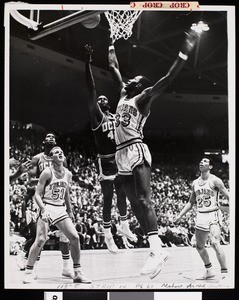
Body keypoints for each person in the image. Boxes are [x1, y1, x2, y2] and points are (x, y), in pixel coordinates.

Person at [108, 24, 201, 279]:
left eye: (134, 80)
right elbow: (113, 67)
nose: (129, 80)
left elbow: (167, 79)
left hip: (136, 149)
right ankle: (153, 247)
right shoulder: (122, 97)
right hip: (120, 153)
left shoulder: (143, 98)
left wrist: (186, 48)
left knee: (145, 199)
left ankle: (157, 248)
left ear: (140, 86)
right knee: (133, 201)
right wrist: (110, 40)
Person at [84, 44, 137, 254]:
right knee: (108, 198)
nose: (102, 99)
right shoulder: (97, 117)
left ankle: (124, 226)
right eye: (99, 100)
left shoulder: (115, 116)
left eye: (105, 99)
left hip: (119, 157)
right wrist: (87, 62)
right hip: (105, 160)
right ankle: (107, 234)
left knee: (122, 193)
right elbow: (91, 89)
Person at [23, 146, 91, 284]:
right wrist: (43, 209)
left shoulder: (68, 174)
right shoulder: (47, 173)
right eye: (56, 152)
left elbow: (66, 193)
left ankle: (77, 273)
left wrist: (70, 211)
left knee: (75, 237)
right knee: (41, 240)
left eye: (61, 151)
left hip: (60, 209)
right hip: (47, 206)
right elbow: (37, 195)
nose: (60, 153)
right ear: (51, 157)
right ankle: (29, 272)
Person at [17, 133, 72, 278]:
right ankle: (32, 266)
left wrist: (69, 207)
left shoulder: (62, 159)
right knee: (40, 236)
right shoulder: (37, 158)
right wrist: (47, 179)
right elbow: (30, 181)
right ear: (44, 141)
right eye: (48, 136)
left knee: (65, 235)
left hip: (57, 201)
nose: (51, 138)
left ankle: (67, 268)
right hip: (40, 200)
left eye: (53, 137)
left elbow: (65, 182)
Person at [174, 157, 229, 280]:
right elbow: (190, 202)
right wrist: (179, 215)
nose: (201, 162)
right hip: (201, 215)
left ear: (210, 167)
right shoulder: (195, 183)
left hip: (213, 213)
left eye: (204, 161)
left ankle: (225, 273)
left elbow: (228, 195)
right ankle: (209, 271)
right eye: (200, 161)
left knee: (215, 242)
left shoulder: (215, 180)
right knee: (199, 246)